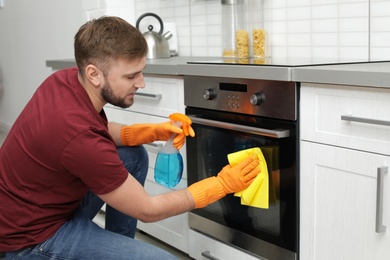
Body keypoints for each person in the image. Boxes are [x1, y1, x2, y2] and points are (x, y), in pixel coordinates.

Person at [0, 16, 260, 259]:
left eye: (141, 71)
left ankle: (115, 243)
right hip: (30, 240)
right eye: (130, 75)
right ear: (94, 74)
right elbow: (147, 210)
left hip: (40, 207)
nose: (142, 83)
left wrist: (154, 131)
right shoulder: (77, 134)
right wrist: (221, 185)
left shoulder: (65, 80)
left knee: (132, 154)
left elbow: (96, 132)